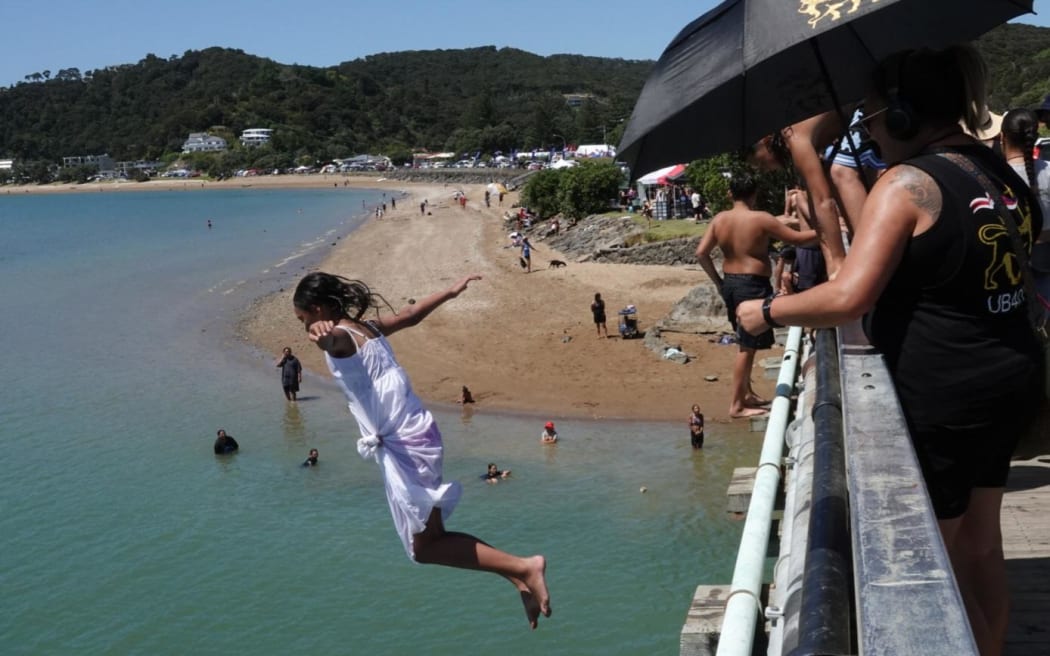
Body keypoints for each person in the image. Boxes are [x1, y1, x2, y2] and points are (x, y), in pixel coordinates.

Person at [737, 45, 1043, 656]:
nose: (869, 132)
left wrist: (764, 310)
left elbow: (848, 295)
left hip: (946, 391)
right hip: (1013, 372)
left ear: (902, 114)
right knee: (984, 544)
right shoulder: (999, 170)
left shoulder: (907, 184)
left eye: (873, 117)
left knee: (943, 553)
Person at [291, 271, 551, 629]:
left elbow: (330, 339)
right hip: (418, 435)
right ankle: (517, 577)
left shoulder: (340, 339)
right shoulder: (368, 328)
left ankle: (524, 568)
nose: (305, 325)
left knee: (425, 548)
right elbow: (408, 316)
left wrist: (321, 334)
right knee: (432, 541)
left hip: (406, 445)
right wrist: (449, 291)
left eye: (303, 318)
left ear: (317, 309)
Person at [695, 173, 817, 418]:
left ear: (730, 194)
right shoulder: (760, 219)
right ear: (754, 194)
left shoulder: (720, 219)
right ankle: (737, 405)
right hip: (751, 285)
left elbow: (701, 253)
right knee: (746, 347)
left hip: (730, 283)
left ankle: (747, 393)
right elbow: (797, 239)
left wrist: (718, 282)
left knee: (743, 342)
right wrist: (827, 231)